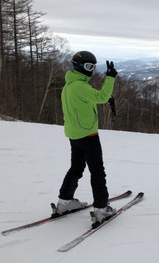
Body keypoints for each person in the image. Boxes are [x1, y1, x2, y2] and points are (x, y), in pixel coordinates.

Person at [55, 51, 118, 225]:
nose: (91, 71)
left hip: (74, 135)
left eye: (93, 67)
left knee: (76, 168)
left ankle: (64, 201)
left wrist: (102, 99)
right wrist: (110, 78)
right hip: (88, 135)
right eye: (89, 67)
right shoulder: (81, 87)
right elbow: (101, 96)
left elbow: (86, 101)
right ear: (79, 66)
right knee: (97, 171)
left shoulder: (69, 86)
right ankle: (101, 207)